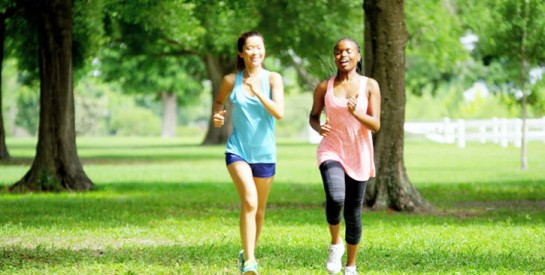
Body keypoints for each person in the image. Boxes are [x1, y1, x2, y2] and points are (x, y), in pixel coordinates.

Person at [212, 31, 284, 275]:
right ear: (241, 53)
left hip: (265, 153)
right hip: (238, 151)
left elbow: (279, 113)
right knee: (250, 201)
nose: (256, 52)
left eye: (259, 48)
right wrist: (218, 116)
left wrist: (258, 91)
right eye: (250, 48)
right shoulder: (231, 80)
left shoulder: (273, 78)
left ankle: (247, 250)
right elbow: (219, 101)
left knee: (260, 210)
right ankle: (250, 262)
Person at [308, 37, 381, 275]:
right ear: (334, 57)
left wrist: (357, 113)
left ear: (358, 56)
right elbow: (313, 116)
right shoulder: (324, 87)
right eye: (338, 52)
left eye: (348, 51)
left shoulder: (370, 86)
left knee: (353, 211)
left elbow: (376, 125)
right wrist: (319, 128)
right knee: (336, 197)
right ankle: (335, 243)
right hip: (331, 149)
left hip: (359, 153)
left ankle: (350, 266)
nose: (343, 55)